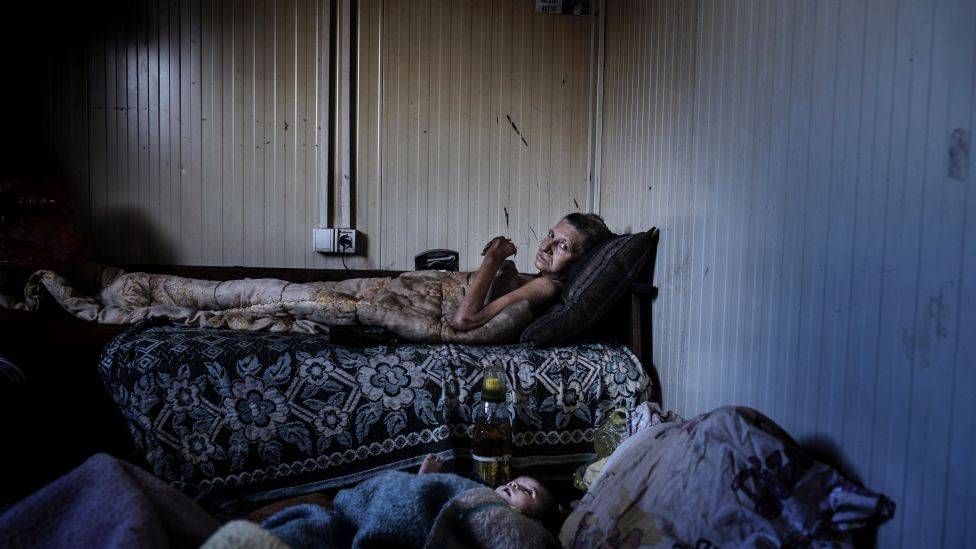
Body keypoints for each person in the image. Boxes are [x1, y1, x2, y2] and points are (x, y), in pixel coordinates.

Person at [450, 213, 613, 332]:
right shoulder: (541, 278)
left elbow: (463, 320)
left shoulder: (546, 286)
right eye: (551, 235)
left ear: (580, 262)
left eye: (563, 246)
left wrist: (493, 257)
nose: (545, 247)